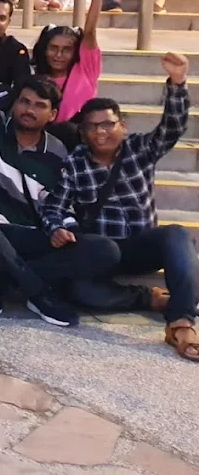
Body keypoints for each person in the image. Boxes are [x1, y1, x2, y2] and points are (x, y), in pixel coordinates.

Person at [40, 54, 199, 361]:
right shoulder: (75, 164)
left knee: (178, 235)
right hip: (104, 252)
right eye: (92, 126)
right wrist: (56, 228)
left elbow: (172, 127)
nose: (100, 132)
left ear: (122, 126)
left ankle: (181, 324)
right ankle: (150, 299)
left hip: (142, 245)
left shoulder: (140, 149)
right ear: (83, 132)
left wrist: (177, 83)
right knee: (81, 292)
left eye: (108, 124)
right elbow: (53, 208)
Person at [0, 65, 117, 327]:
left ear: (52, 114)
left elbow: (57, 205)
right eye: (24, 101)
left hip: (27, 235)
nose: (29, 110)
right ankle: (39, 295)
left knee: (105, 250)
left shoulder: (57, 152)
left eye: (39, 105)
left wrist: (61, 229)